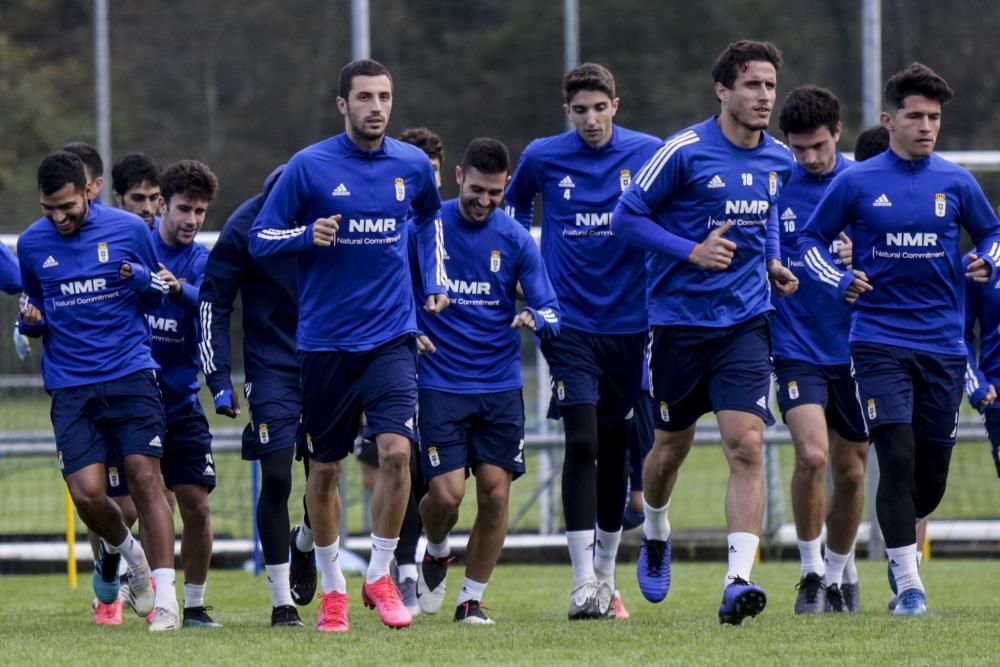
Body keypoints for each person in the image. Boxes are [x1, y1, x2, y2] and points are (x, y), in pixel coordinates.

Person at [249, 58, 448, 632]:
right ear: (343, 105)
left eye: (385, 96)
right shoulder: (309, 167)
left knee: (396, 454)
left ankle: (381, 574)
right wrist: (305, 235)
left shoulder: (411, 165)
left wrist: (433, 280)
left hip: (392, 336)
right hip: (325, 344)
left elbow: (431, 220)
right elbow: (262, 238)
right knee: (327, 470)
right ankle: (334, 588)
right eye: (364, 97)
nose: (377, 107)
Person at [798, 63, 1000, 616]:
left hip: (942, 345)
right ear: (890, 120)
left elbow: (994, 231)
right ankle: (910, 586)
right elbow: (809, 243)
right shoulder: (856, 182)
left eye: (934, 117)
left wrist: (987, 259)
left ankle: (898, 545)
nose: (927, 126)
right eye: (915, 116)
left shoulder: (956, 182)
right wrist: (839, 280)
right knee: (896, 454)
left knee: (929, 479)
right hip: (877, 340)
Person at [611, 40, 798, 625]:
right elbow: (626, 217)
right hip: (678, 326)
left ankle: (737, 581)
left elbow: (764, 218)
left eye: (770, 85)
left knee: (746, 444)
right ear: (723, 91)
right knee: (670, 450)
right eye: (752, 85)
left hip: (745, 322)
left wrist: (771, 261)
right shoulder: (683, 152)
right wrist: (690, 251)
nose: (764, 96)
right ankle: (658, 532)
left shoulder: (779, 159)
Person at [503, 62, 662, 620]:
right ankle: (579, 582)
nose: (591, 120)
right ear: (566, 111)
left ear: (616, 105)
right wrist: (525, 271)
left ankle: (606, 578)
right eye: (580, 110)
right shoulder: (543, 156)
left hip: (632, 323)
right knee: (583, 442)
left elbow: (676, 212)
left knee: (617, 449)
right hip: (567, 324)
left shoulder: (648, 153)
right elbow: (514, 210)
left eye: (600, 108)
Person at [17, 151, 177, 630]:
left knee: (146, 478)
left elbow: (156, 292)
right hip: (71, 385)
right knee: (88, 496)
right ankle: (132, 556)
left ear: (88, 191)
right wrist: (34, 320)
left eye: (67, 207)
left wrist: (144, 278)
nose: (59, 218)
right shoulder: (30, 244)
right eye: (50, 210)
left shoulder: (130, 231)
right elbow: (39, 304)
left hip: (130, 371)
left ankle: (166, 600)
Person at [415, 138, 560, 625]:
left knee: (496, 493)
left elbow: (550, 306)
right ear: (458, 177)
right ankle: (436, 549)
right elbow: (398, 288)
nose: (485, 201)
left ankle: (470, 600)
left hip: (499, 384)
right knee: (447, 495)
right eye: (477, 189)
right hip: (440, 381)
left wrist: (536, 318)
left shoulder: (516, 238)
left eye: (495, 193)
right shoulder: (428, 226)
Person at [199, 165, 316, 627]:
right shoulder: (243, 227)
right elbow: (213, 301)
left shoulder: (330, 219)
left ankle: (304, 543)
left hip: (327, 362)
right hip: (271, 368)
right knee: (277, 473)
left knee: (324, 473)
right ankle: (281, 603)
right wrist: (218, 379)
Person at [771, 85, 869, 614]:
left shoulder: (864, 186)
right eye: (798, 149)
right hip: (796, 345)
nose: (809, 158)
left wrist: (865, 254)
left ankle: (839, 573)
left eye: (818, 147)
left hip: (858, 348)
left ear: (837, 133)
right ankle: (810, 573)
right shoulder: (775, 189)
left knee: (852, 473)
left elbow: (895, 262)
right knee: (813, 454)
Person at [356, 126, 447, 616]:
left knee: (430, 477)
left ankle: (414, 561)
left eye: (432, 175)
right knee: (389, 464)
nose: (423, 183)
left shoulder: (436, 227)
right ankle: (397, 568)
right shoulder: (385, 224)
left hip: (440, 370)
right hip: (384, 355)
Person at [147, 160, 221, 628]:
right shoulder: (136, 244)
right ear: (161, 206)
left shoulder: (203, 261)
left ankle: (192, 605)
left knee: (195, 503)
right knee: (135, 503)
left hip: (182, 402)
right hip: (136, 401)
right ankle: (143, 587)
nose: (192, 220)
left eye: (200, 212)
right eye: (184, 210)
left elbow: (213, 305)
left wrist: (182, 292)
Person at [112, 153, 162, 228]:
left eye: (154, 198)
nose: (147, 208)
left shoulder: (168, 235)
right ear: (118, 197)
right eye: (138, 198)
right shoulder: (102, 234)